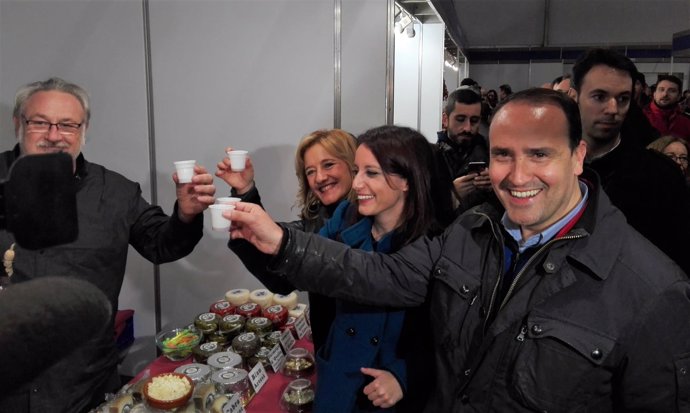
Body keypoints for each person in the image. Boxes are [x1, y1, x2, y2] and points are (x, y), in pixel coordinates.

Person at [227, 88, 690, 412]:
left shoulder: (653, 288)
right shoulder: (472, 228)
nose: (517, 174)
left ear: (578, 156)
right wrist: (281, 242)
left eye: (540, 154)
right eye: (503, 154)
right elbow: (386, 277)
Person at [0, 77, 216, 412]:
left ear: (84, 129)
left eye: (68, 125)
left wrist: (186, 216)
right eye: (40, 122)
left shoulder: (115, 192)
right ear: (18, 123)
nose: (54, 135)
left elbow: (162, 245)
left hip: (86, 382)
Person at [312, 125, 451, 412]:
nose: (356, 184)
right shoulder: (346, 218)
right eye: (357, 171)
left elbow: (447, 337)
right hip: (340, 383)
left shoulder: (439, 248)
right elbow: (307, 265)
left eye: (371, 173)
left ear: (407, 180)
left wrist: (404, 375)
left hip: (391, 396)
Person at [216, 129, 357, 352]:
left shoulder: (374, 222)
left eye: (329, 165)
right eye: (311, 171)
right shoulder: (316, 220)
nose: (319, 178)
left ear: (353, 165)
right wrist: (245, 192)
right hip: (330, 351)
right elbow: (282, 276)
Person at [572, 48, 690, 274]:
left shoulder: (661, 176)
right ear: (575, 96)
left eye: (623, 98)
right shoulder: (549, 167)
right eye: (600, 97)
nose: (613, 109)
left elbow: (678, 256)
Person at [436, 87, 491, 211]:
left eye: (474, 121)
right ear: (445, 119)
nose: (467, 128)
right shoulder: (429, 157)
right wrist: (451, 195)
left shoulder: (492, 154)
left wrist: (496, 186)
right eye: (460, 120)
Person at [642, 74, 690, 142]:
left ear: (679, 96)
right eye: (661, 90)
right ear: (654, 94)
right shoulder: (639, 117)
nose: (665, 94)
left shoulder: (686, 122)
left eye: (672, 91)